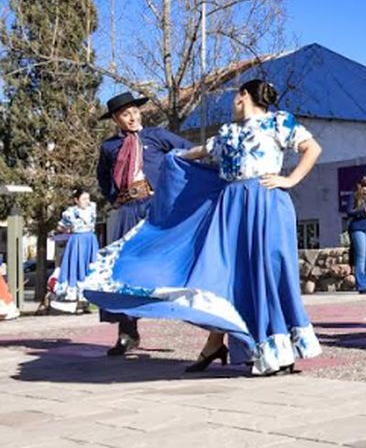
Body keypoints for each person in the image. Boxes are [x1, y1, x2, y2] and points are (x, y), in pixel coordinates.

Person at [84, 79, 323, 376]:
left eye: (234, 97)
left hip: (266, 202)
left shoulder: (279, 121)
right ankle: (251, 346)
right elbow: (198, 151)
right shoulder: (228, 131)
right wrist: (174, 158)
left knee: (271, 269)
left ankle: (279, 347)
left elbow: (312, 147)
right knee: (234, 274)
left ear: (243, 96)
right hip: (232, 205)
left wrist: (290, 179)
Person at [94, 91, 191, 356]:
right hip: (127, 208)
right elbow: (103, 176)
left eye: (135, 112)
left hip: (156, 206)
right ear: (116, 119)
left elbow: (186, 150)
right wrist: (113, 198)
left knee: (169, 260)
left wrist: (175, 187)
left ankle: (198, 317)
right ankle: (127, 332)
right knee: (121, 268)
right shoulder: (109, 147)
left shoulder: (156, 136)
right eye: (126, 114)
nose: (133, 117)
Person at [49, 189, 100, 314]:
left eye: (88, 198)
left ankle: (87, 302)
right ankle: (77, 301)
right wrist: (68, 230)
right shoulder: (70, 212)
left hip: (90, 239)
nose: (87, 201)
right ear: (76, 200)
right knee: (77, 268)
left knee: (90, 268)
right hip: (78, 240)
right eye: (83, 199)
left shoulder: (92, 207)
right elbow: (60, 226)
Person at [345, 177, 366, 294]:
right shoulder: (354, 196)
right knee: (361, 256)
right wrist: (362, 211)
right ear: (360, 186)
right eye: (364, 186)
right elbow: (349, 211)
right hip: (358, 228)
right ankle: (362, 285)